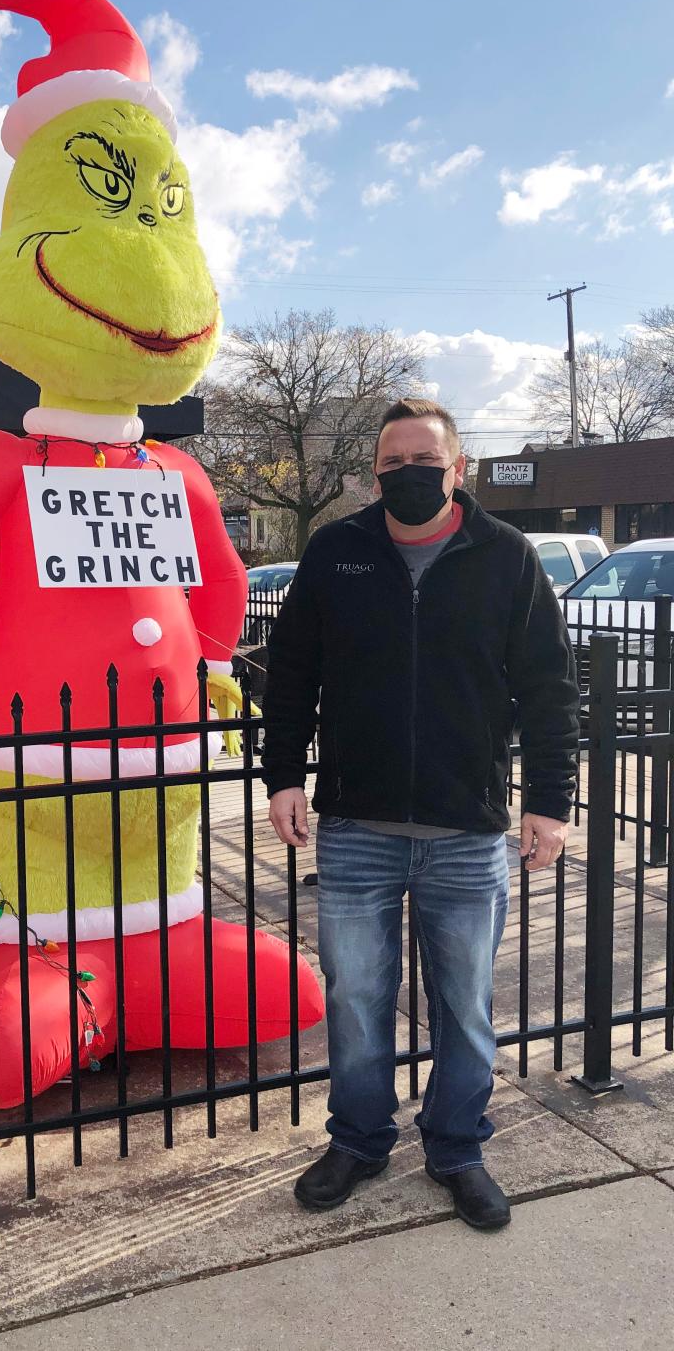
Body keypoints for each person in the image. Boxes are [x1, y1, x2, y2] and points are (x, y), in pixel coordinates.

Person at [261, 398, 579, 1232]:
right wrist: (283, 776)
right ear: (374, 472)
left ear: (459, 467)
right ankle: (360, 1140)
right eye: (393, 462)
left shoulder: (506, 557)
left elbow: (551, 687)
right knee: (359, 999)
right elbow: (291, 672)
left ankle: (458, 1148)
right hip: (357, 829)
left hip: (467, 831)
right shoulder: (337, 551)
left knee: (465, 1006)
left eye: (424, 458)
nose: (409, 472)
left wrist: (552, 801)